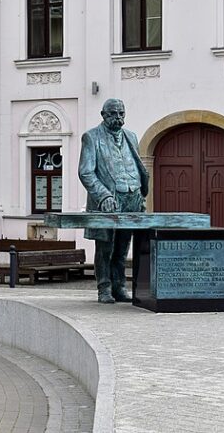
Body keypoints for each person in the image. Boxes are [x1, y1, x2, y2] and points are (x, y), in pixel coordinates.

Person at [78, 99, 149, 303]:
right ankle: (104, 288)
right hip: (107, 202)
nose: (118, 118)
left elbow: (135, 166)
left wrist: (140, 194)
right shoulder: (91, 137)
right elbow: (86, 172)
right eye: (113, 114)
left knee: (122, 248)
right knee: (105, 248)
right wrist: (104, 195)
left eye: (121, 114)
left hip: (132, 200)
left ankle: (119, 286)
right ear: (103, 115)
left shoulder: (131, 136)